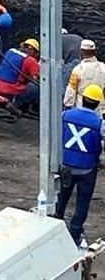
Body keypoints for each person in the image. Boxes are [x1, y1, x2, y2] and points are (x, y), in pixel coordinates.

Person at [55, 84, 105, 244]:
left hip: (66, 165)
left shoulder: (65, 115)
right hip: (87, 169)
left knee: (61, 196)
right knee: (82, 202)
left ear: (82, 99)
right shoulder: (99, 123)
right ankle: (75, 233)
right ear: (97, 104)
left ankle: (56, 223)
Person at [0, 39, 41, 115]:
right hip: (11, 92)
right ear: (35, 52)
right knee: (37, 87)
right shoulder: (31, 61)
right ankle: (16, 104)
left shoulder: (10, 51)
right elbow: (37, 79)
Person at [64, 40, 105, 114]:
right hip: (100, 109)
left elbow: (71, 91)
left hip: (81, 108)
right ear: (94, 52)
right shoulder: (103, 67)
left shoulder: (78, 69)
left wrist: (68, 105)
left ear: (81, 52)